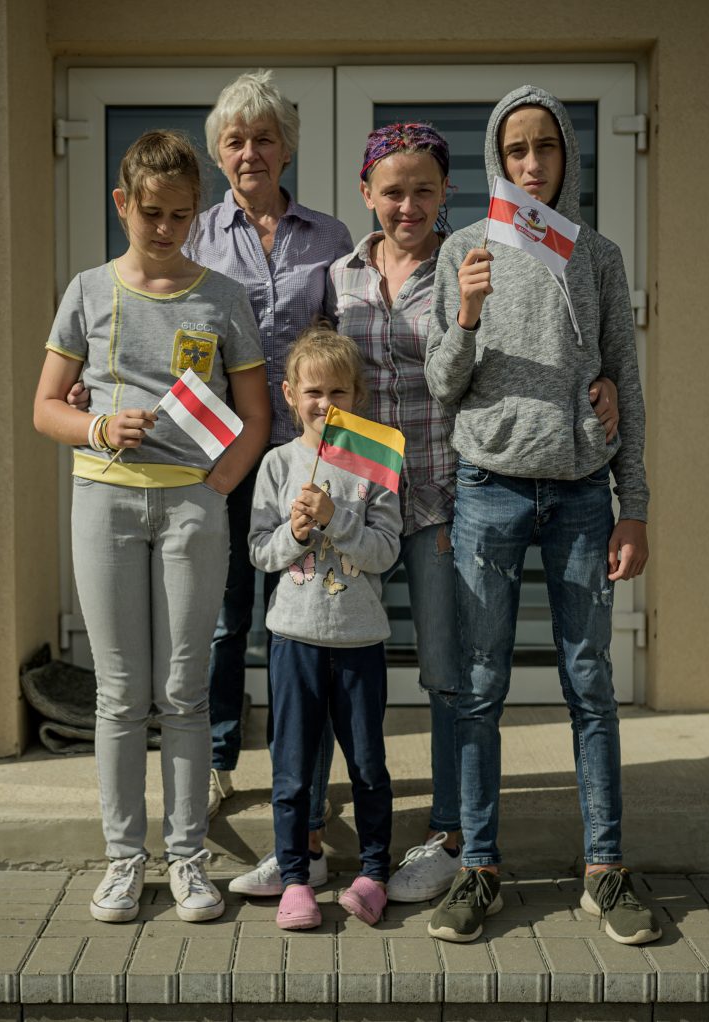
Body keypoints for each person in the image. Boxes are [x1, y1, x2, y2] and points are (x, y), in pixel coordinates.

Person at [328, 123, 623, 903]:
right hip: (356, 497)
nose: (409, 205)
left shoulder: (484, 255)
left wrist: (598, 394)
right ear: (367, 194)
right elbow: (312, 373)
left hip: (442, 491)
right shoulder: (341, 277)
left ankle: (452, 834)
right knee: (335, 661)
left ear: (447, 192)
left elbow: (583, 355)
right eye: (393, 192)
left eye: (424, 190)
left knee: (452, 675)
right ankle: (321, 834)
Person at [423, 86, 659, 945]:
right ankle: (480, 868)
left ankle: (604, 869)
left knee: (590, 683)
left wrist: (634, 506)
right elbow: (442, 382)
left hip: (580, 495)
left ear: (568, 157)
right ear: (497, 157)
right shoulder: (463, 250)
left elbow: (624, 380)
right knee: (480, 685)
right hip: (488, 488)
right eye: (515, 149)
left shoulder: (596, 255)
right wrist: (468, 313)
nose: (530, 164)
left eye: (545, 147)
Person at [33, 129, 270, 925]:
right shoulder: (87, 291)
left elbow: (255, 415)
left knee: (184, 690)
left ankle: (189, 860)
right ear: (121, 204)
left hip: (192, 508)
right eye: (150, 213)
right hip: (104, 503)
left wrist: (218, 486)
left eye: (179, 214)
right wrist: (98, 427)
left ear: (197, 211)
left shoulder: (223, 296)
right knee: (121, 693)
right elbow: (45, 407)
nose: (165, 228)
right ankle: (124, 862)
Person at [189, 71, 354, 834]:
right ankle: (219, 760)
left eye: (264, 138)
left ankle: (303, 772)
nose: (250, 151)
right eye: (236, 140)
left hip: (307, 458)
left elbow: (349, 346)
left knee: (302, 619)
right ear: (218, 153)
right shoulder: (195, 235)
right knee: (226, 617)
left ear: (287, 148)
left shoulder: (330, 238)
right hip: (223, 455)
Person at [245, 326, 401, 929]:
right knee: (292, 768)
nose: (325, 403)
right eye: (313, 391)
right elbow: (260, 550)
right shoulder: (278, 464)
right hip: (295, 639)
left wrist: (336, 519)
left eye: (338, 391)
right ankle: (295, 878)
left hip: (359, 642)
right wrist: (296, 533)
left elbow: (385, 552)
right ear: (290, 394)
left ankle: (373, 874)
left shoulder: (374, 464)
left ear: (357, 394)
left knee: (368, 766)